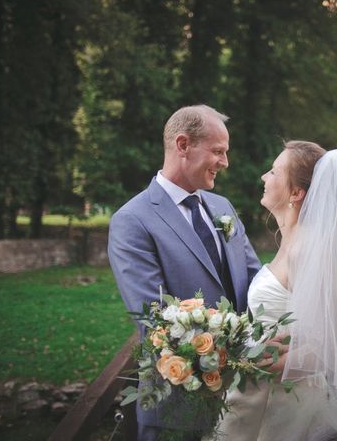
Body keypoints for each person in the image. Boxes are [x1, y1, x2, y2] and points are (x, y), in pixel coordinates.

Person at [214, 141, 337, 441]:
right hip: (257, 395)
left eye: (273, 171)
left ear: (296, 193)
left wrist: (253, 364)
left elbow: (334, 346)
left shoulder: (310, 250)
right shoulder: (290, 242)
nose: (263, 177)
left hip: (287, 408)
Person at [108, 105, 261, 441]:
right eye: (218, 151)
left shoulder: (222, 207)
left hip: (243, 403)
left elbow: (256, 283)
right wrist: (239, 346)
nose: (225, 163)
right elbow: (156, 321)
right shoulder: (133, 221)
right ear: (182, 145)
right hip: (176, 409)